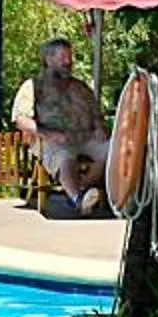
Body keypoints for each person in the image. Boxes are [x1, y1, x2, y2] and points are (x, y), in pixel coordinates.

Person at [12, 38, 110, 215]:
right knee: (64, 155)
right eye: (63, 57)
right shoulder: (33, 86)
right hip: (51, 139)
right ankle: (77, 198)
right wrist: (48, 134)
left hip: (85, 137)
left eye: (70, 57)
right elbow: (21, 119)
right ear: (49, 59)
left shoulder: (80, 87)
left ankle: (83, 189)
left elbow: (96, 114)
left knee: (113, 150)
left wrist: (98, 127)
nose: (68, 61)